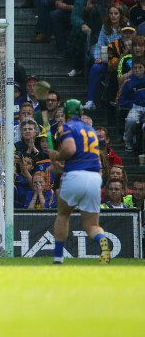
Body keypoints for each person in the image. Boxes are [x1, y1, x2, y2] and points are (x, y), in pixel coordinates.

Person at [49, 99, 110, 264]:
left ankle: (58, 258)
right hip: (94, 177)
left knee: (63, 214)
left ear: (66, 115)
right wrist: (61, 166)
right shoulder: (91, 131)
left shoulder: (67, 127)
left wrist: (57, 156)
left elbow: (69, 149)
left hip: (75, 176)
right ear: (82, 113)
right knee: (91, 225)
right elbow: (87, 158)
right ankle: (101, 239)